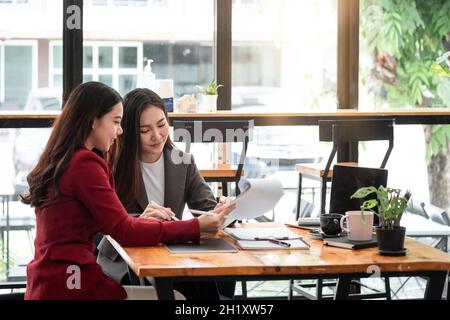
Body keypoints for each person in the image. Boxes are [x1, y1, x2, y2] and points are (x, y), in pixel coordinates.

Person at [21, 82, 229, 300]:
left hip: (55, 280)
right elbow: (123, 230)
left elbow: (115, 225)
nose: (119, 131)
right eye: (116, 122)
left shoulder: (69, 158)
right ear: (93, 121)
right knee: (177, 298)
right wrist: (194, 226)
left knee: (194, 289)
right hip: (71, 283)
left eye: (161, 125)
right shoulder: (86, 165)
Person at [97, 88, 236, 299]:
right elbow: (100, 228)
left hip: (171, 254)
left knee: (207, 280)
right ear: (127, 131)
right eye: (144, 130)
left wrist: (221, 210)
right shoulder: (111, 165)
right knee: (191, 287)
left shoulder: (183, 162)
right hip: (124, 259)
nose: (156, 136)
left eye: (162, 125)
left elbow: (206, 208)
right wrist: (139, 221)